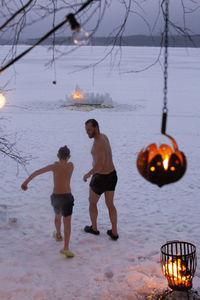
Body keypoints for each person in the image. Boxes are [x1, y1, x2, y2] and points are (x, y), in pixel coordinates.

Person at [21, 146, 75, 257]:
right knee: (67, 223)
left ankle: (58, 235)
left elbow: (37, 172)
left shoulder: (54, 166)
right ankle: (66, 248)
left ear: (57, 156)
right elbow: (65, 165)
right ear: (69, 156)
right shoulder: (71, 166)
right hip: (67, 197)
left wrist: (25, 183)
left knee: (57, 216)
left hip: (56, 197)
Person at [83, 119, 119, 240]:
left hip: (101, 177)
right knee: (110, 204)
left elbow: (100, 165)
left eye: (89, 130)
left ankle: (94, 228)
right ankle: (114, 232)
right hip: (112, 175)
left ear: (96, 127)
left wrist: (88, 174)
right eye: (86, 130)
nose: (87, 132)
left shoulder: (98, 144)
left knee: (92, 202)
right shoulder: (104, 137)